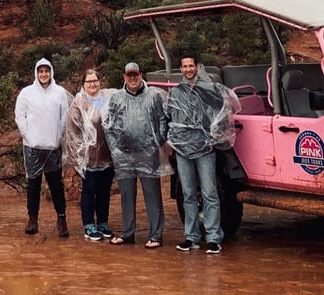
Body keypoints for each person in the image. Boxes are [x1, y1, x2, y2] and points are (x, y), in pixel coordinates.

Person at [164, 52, 240, 255]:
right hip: (182, 150)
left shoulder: (210, 90)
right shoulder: (176, 93)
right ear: (180, 69)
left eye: (191, 65)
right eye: (184, 66)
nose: (188, 69)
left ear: (197, 67)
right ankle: (191, 237)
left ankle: (214, 238)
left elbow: (222, 117)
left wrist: (211, 137)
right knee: (188, 194)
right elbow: (169, 117)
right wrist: (172, 141)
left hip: (205, 149)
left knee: (210, 193)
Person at [102, 61, 169, 249]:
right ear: (124, 77)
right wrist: (116, 149)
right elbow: (109, 125)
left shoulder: (153, 96)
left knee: (152, 194)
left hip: (148, 153)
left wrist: (158, 142)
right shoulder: (117, 98)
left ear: (141, 75)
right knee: (127, 195)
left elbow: (163, 120)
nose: (132, 78)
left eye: (135, 75)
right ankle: (128, 233)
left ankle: (156, 235)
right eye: (129, 75)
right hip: (124, 155)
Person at [14, 57, 72, 237]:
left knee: (56, 185)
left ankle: (61, 219)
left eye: (47, 71)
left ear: (51, 72)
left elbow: (65, 116)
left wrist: (58, 137)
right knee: (33, 184)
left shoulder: (60, 93)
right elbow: (19, 115)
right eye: (41, 71)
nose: (44, 74)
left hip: (53, 146)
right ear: (36, 73)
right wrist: (27, 135)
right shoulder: (26, 93)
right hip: (32, 146)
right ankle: (33, 219)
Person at [64, 69, 115, 241]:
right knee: (89, 190)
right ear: (83, 84)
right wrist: (78, 158)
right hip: (89, 158)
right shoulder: (78, 104)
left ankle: (103, 222)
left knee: (104, 191)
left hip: (107, 156)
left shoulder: (107, 99)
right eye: (89, 82)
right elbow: (72, 132)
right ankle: (89, 225)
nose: (93, 84)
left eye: (95, 80)